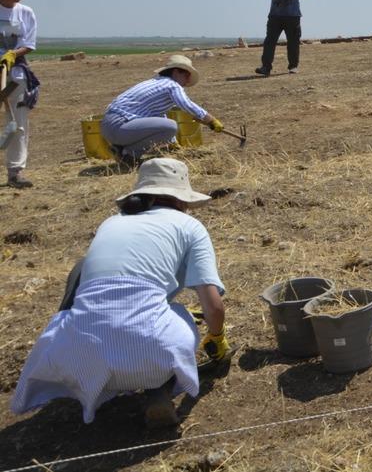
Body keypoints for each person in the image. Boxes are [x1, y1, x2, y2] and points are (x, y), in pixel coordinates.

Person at [11, 158, 230, 427]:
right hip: (151, 353)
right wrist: (217, 338)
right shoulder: (189, 227)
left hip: (74, 361)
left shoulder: (111, 223)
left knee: (86, 285)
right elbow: (213, 307)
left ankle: (96, 386)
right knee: (181, 317)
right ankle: (158, 389)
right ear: (182, 200)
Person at [101, 56, 225, 164]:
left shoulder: (158, 83)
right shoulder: (171, 85)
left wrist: (172, 143)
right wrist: (211, 120)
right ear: (176, 72)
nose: (187, 80)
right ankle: (128, 154)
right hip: (120, 125)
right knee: (171, 126)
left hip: (110, 127)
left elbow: (159, 117)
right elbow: (187, 105)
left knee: (167, 127)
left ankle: (120, 148)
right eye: (186, 75)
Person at [0, 0, 40, 189]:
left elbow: (29, 45)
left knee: (17, 124)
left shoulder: (25, 13)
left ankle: (15, 172)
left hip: (15, 76)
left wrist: (12, 54)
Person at [255, 0, 308, 76]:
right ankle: (266, 67)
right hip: (275, 15)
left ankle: (293, 66)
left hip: (293, 15)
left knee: (293, 42)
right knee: (270, 42)